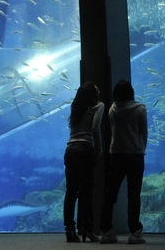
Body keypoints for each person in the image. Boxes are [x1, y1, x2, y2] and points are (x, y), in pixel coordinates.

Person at [99, 79, 148, 245]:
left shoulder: (112, 109)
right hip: (135, 155)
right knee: (133, 195)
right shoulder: (140, 109)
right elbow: (144, 133)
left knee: (110, 193)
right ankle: (134, 232)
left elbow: (113, 130)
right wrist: (140, 148)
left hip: (116, 155)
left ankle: (106, 230)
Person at [63, 81, 103, 243]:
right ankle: (87, 228)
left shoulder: (76, 108)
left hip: (70, 150)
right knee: (87, 192)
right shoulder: (98, 106)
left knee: (71, 192)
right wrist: (98, 150)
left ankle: (70, 230)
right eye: (95, 87)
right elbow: (95, 128)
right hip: (85, 149)